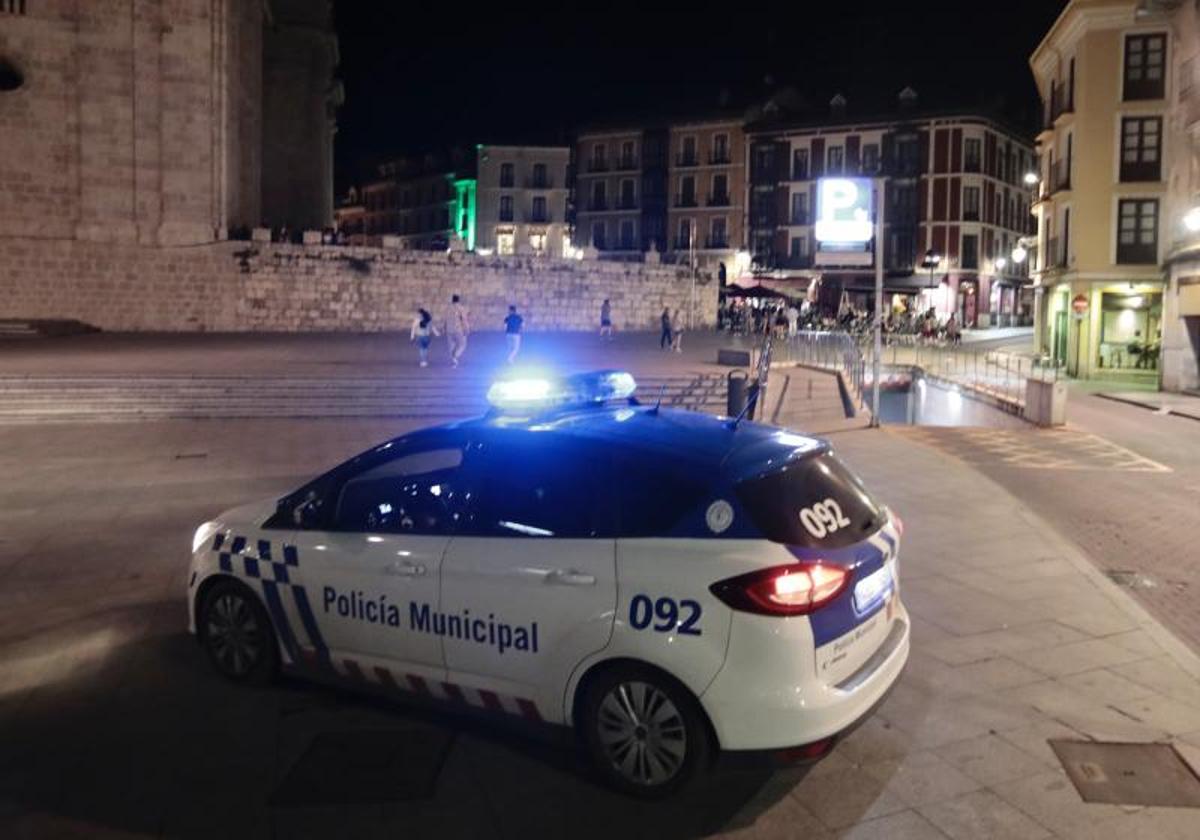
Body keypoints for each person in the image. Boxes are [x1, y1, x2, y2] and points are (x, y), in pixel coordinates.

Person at [446, 293, 470, 367]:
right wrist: (467, 328)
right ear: (458, 300)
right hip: (458, 329)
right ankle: (455, 355)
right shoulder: (461, 308)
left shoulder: (448, 308)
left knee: (451, 345)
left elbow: (446, 319)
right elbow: (464, 320)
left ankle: (453, 360)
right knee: (463, 344)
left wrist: (444, 328)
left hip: (449, 329)